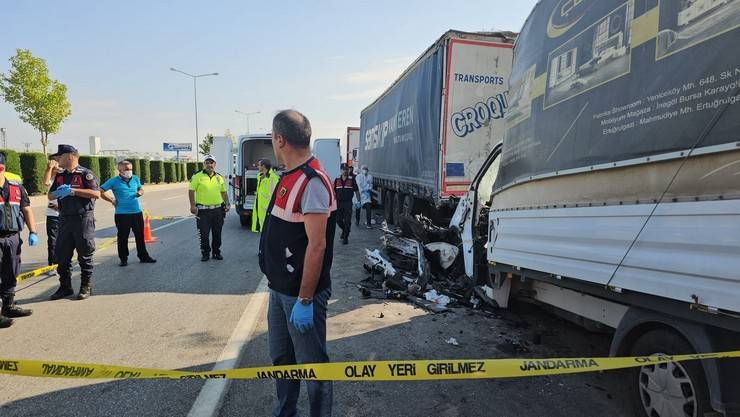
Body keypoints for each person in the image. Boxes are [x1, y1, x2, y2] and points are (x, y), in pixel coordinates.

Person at [259, 110, 336, 417]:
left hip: (300, 296)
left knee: (313, 367)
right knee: (282, 358)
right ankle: (285, 411)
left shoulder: (312, 181)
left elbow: (317, 246)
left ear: (280, 140)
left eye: (272, 139)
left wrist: (305, 300)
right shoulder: (287, 176)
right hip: (279, 290)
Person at [47, 144, 100, 301]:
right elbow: (50, 196)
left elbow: (96, 193)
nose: (57, 159)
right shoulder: (61, 175)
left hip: (82, 219)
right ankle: (65, 287)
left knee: (85, 254)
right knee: (62, 256)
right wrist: (58, 192)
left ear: (70, 156)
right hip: (64, 219)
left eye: (59, 156)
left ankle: (86, 286)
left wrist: (73, 191)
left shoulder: (86, 174)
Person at [0, 152, 38, 328]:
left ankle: (8, 306)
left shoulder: (16, 187)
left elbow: (27, 209)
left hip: (13, 237)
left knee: (11, 271)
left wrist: (33, 231)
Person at [100, 161, 156, 266]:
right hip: (122, 214)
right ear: (119, 170)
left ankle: (143, 256)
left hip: (137, 212)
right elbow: (101, 191)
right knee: (122, 237)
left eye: (130, 169)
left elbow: (140, 188)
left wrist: (140, 192)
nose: (129, 171)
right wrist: (111, 199)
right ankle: (123, 259)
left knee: (140, 236)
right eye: (126, 169)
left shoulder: (135, 178)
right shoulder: (114, 181)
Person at [189, 155, 230, 261]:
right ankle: (205, 253)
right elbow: (191, 191)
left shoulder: (219, 177)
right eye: (207, 162)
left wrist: (227, 203)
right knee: (204, 234)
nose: (209, 165)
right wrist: (193, 205)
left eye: (211, 163)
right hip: (203, 211)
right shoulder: (197, 176)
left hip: (218, 210)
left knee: (217, 233)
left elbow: (223, 192)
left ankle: (216, 252)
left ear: (215, 164)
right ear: (204, 164)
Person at [42, 155, 63, 276]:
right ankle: (52, 265)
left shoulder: (65, 177)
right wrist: (49, 168)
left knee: (66, 241)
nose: (56, 165)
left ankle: (64, 263)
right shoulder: (51, 178)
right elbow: (45, 182)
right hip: (53, 215)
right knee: (53, 242)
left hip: (66, 213)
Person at [334, 163, 360, 245]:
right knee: (338, 220)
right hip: (338, 203)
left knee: (347, 221)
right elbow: (333, 191)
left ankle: (345, 238)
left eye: (346, 169)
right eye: (343, 169)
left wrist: (359, 201)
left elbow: (356, 191)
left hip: (348, 203)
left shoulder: (352, 179)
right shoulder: (337, 180)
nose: (345, 171)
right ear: (340, 170)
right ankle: (345, 230)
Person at [251, 158, 279, 233]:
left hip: (267, 209)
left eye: (259, 165)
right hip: (260, 208)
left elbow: (274, 195)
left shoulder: (273, 178)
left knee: (268, 232)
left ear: (263, 166)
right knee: (263, 231)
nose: (257, 167)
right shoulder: (259, 176)